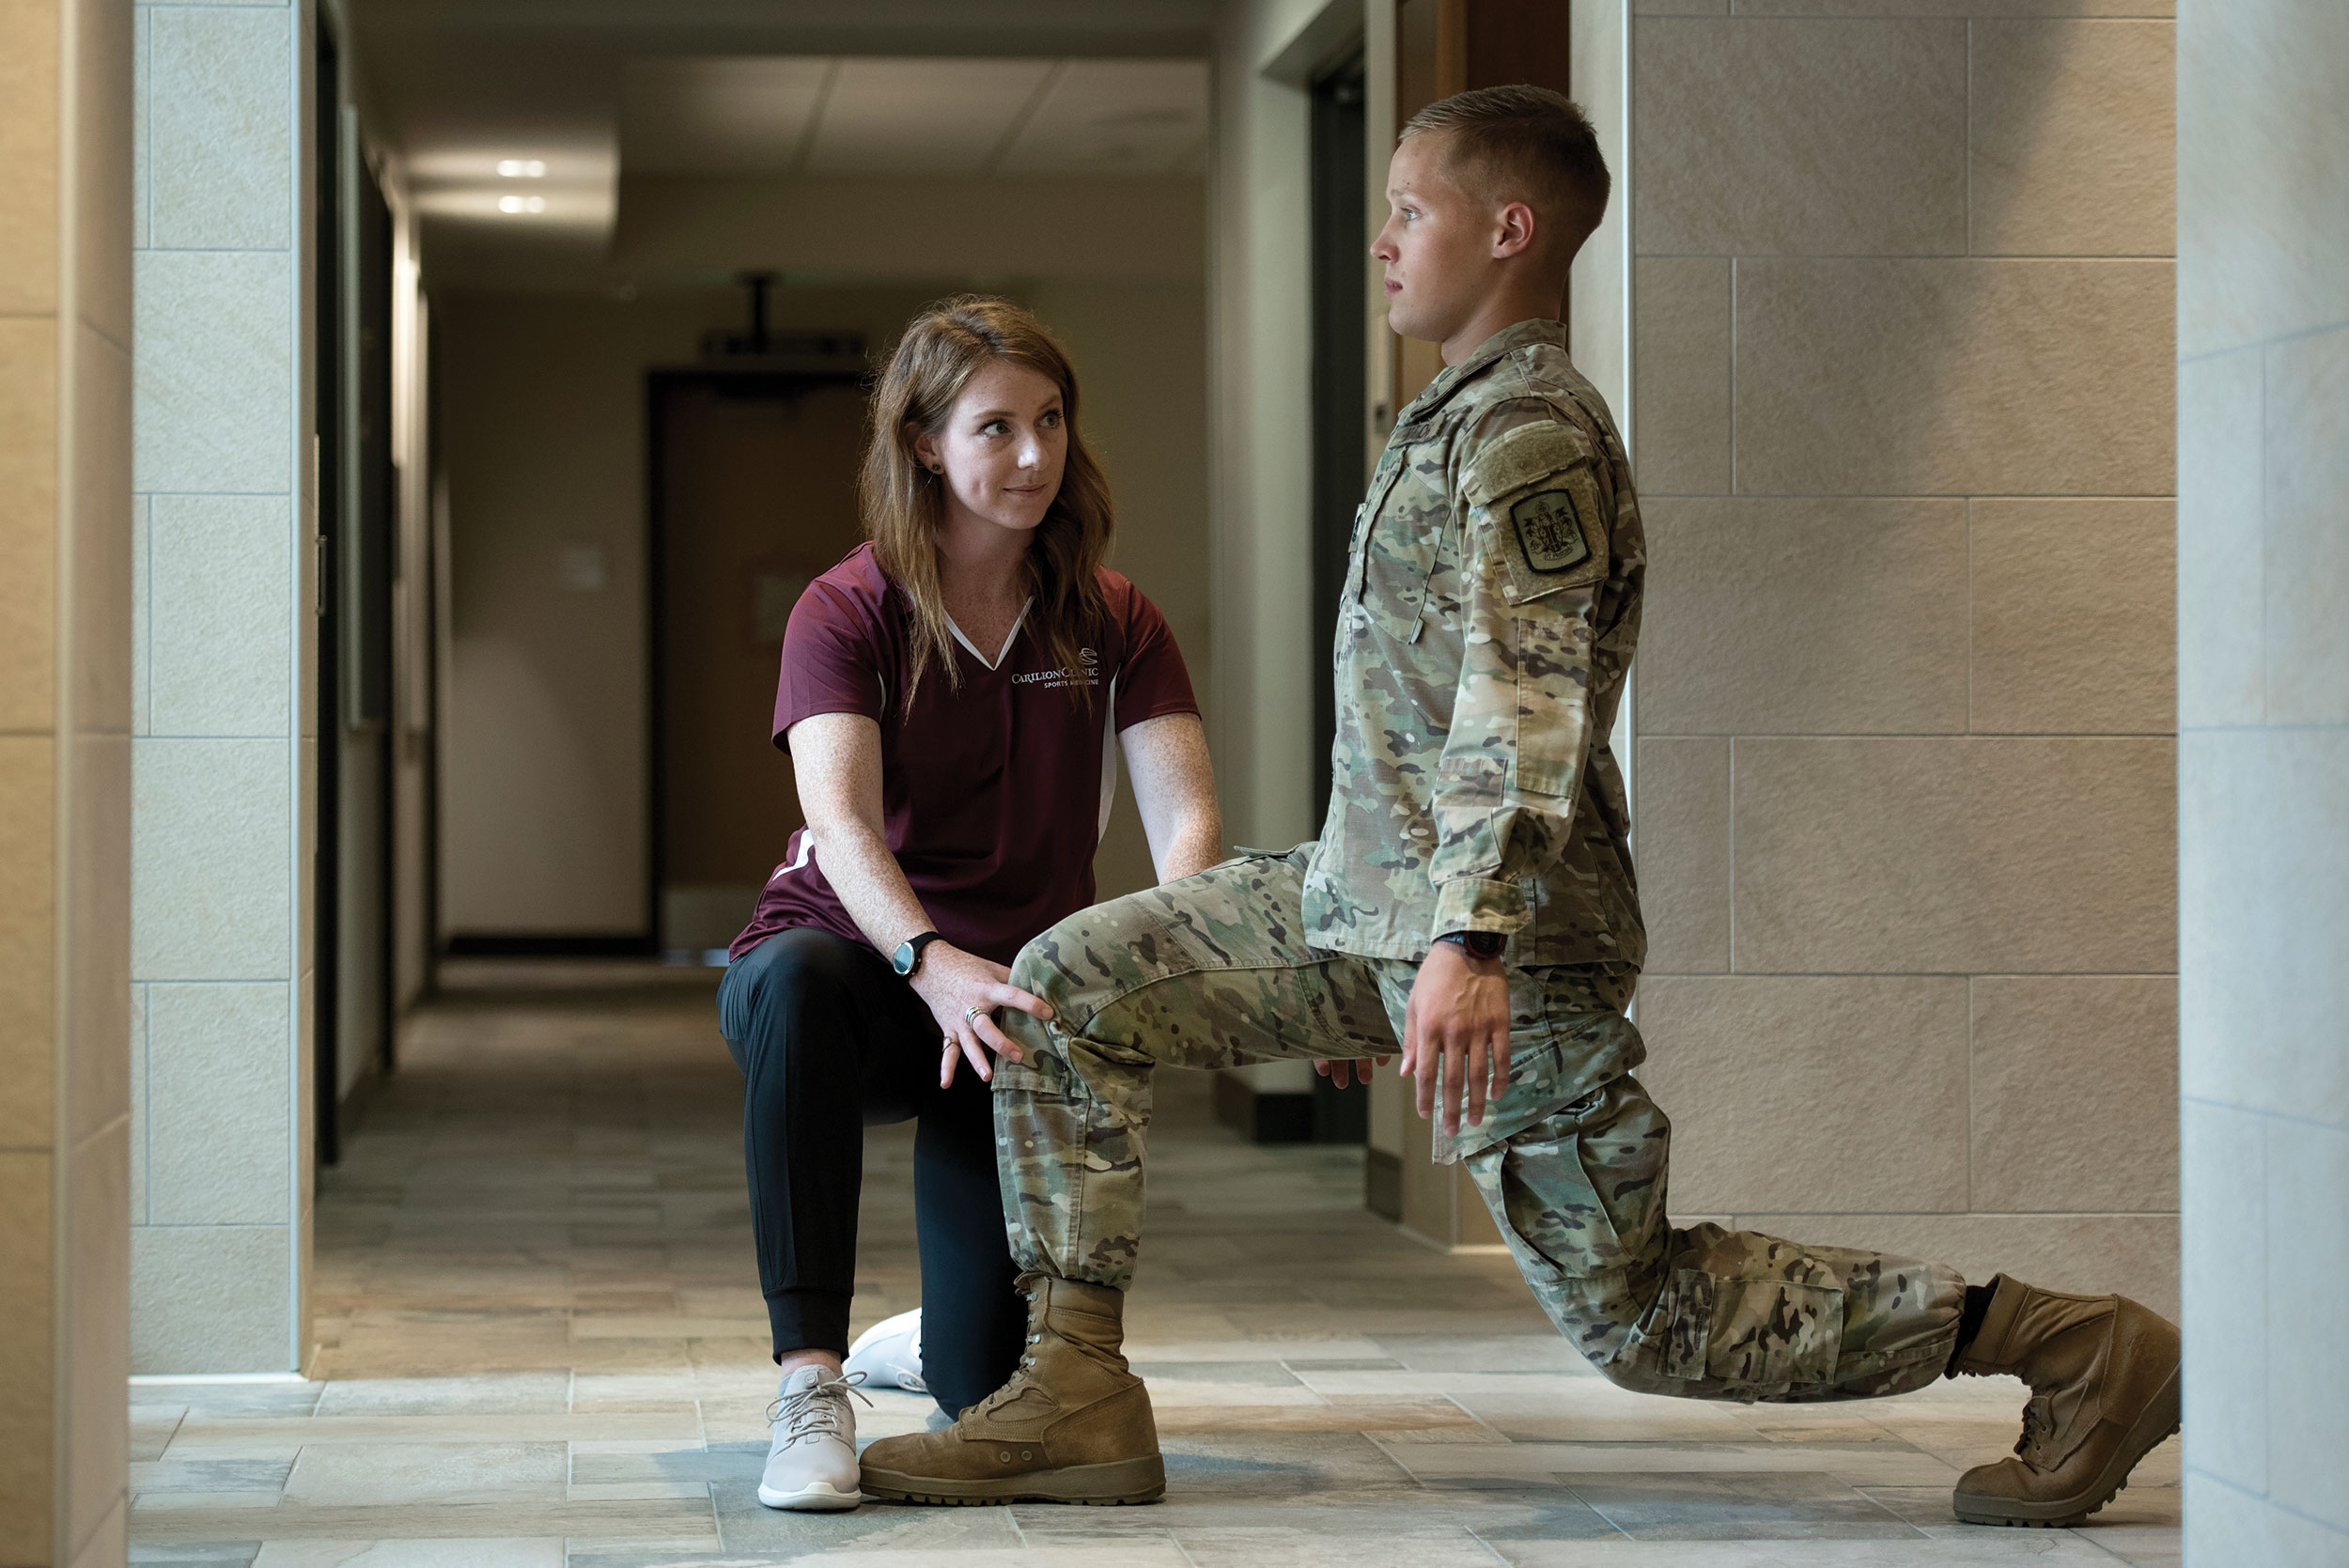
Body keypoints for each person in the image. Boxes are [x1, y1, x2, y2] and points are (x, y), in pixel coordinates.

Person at [857, 88, 2182, 1529]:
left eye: (1409, 211)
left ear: (1509, 229)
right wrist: (1369, 948)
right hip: (1374, 905)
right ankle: (1075, 1393)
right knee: (1072, 983)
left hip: (1506, 932)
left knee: (1641, 1313)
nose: (1381, 243)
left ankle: (2074, 1345)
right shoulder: (1457, 415)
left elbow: (1524, 696)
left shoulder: (1531, 433)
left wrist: (1467, 942)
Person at [715, 297, 1222, 1511]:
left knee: (985, 1382)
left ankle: (932, 1338)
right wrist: (928, 957)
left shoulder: (1114, 618)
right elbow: (837, 823)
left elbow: (1187, 827)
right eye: (996, 428)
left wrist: (1230, 972)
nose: (1034, 454)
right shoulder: (847, 610)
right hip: (860, 976)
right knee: (791, 987)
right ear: (926, 445)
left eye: (1050, 421)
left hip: (1009, 1009)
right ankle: (811, 1381)